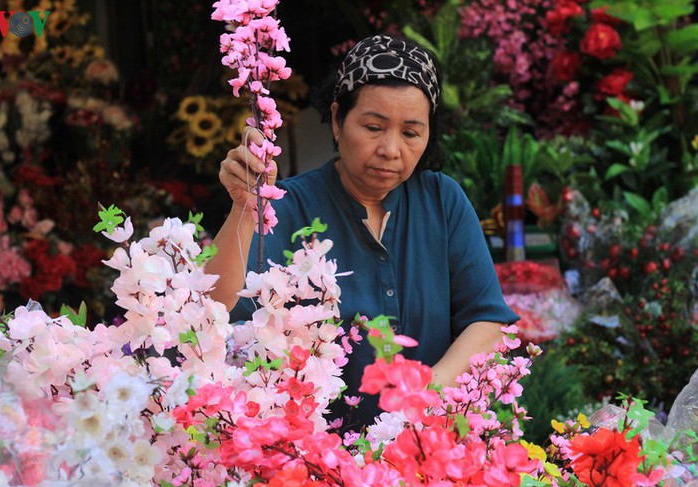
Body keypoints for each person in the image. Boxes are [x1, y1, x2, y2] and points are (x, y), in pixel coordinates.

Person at [206, 34, 519, 428]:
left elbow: (487, 320)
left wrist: (423, 399)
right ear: (338, 120)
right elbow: (217, 311)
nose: (391, 149)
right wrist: (244, 207)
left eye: (410, 133)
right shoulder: (286, 205)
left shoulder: (443, 201)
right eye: (373, 127)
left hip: (428, 453)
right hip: (316, 460)